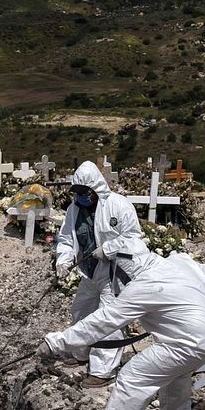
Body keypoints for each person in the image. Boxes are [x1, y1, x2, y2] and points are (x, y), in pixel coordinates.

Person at [39, 246, 205, 410]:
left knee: (134, 376)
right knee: (176, 370)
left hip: (194, 341)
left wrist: (56, 342)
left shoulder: (143, 286)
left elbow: (103, 321)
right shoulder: (179, 261)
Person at [52, 161, 146, 386]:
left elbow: (134, 238)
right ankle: (81, 352)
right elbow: (66, 238)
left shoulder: (118, 205)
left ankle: (103, 371)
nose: (82, 198)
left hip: (113, 272)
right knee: (81, 312)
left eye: (86, 194)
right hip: (89, 272)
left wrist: (109, 249)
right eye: (78, 194)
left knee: (107, 319)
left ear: (96, 190)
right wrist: (63, 260)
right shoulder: (74, 210)